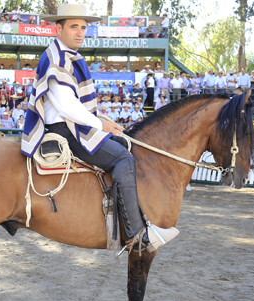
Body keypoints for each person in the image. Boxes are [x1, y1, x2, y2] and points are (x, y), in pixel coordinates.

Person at [21, 3, 175, 252]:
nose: (80, 32)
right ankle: (135, 235)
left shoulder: (68, 55)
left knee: (125, 144)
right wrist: (99, 124)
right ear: (58, 29)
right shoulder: (57, 57)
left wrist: (102, 118)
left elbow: (75, 104)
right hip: (66, 130)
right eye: (74, 27)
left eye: (83, 27)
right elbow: (66, 105)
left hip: (71, 124)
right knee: (124, 159)